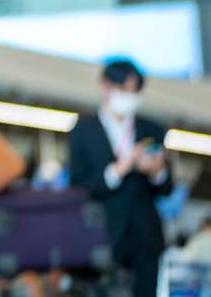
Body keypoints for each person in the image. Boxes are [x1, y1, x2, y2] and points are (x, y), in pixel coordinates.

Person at [68, 58, 172, 297]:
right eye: (124, 89)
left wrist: (157, 172)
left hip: (145, 236)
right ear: (105, 86)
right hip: (100, 234)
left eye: (135, 91)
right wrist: (117, 170)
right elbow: (78, 186)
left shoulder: (152, 130)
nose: (130, 96)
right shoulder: (83, 130)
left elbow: (167, 187)